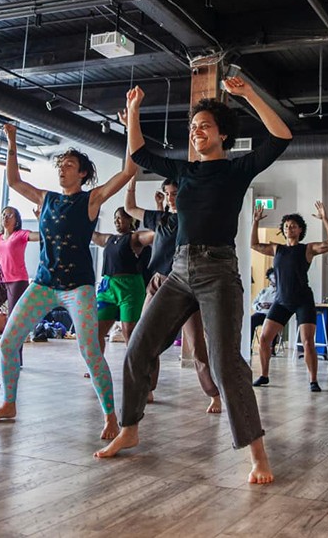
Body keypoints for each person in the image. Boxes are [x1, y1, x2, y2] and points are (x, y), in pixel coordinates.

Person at [95, 78, 292, 487]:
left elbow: (280, 136)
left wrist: (250, 95)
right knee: (137, 348)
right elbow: (138, 152)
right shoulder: (184, 172)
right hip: (180, 272)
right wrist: (132, 113)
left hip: (218, 272)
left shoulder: (237, 168)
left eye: (204, 126)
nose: (196, 132)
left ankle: (256, 453)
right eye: (192, 127)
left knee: (226, 364)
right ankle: (130, 428)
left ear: (222, 134)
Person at [0, 123, 136, 440]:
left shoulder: (91, 200)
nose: (62, 170)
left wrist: (131, 120)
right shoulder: (46, 198)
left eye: (69, 166)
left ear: (82, 174)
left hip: (78, 287)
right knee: (9, 341)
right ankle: (9, 402)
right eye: (60, 165)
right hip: (43, 283)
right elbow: (13, 180)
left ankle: (110, 416)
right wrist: (12, 141)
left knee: (90, 350)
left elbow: (129, 169)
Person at [126, 177, 222, 413]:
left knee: (197, 347)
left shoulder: (194, 220)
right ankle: (148, 388)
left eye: (175, 193)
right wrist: (131, 181)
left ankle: (214, 394)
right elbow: (130, 208)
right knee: (145, 336)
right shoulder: (160, 219)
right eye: (167, 193)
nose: (170, 197)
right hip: (158, 282)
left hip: (184, 286)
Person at [251, 202, 328, 392]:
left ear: (300, 230)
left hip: (302, 300)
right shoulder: (277, 249)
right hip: (281, 301)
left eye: (293, 226)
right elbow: (254, 244)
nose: (289, 228)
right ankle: (264, 375)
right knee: (265, 339)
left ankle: (313, 380)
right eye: (286, 226)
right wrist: (255, 222)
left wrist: (325, 218)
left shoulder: (307, 249)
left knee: (308, 342)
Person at [91, 207, 148, 356]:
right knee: (95, 332)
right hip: (107, 287)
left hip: (129, 288)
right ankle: (97, 368)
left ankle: (135, 370)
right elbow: (93, 234)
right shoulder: (109, 239)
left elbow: (153, 235)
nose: (116, 220)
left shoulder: (135, 238)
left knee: (129, 333)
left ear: (131, 220)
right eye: (115, 217)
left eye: (120, 217)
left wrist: (161, 209)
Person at [0, 206, 39, 362]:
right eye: (3, 214)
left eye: (10, 215)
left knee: (14, 320)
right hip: (1, 281)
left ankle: (16, 358)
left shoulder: (20, 235)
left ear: (16, 220)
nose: (5, 216)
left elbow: (42, 236)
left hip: (18, 282)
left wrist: (39, 219)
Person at [250, 267, 277, 354]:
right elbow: (254, 303)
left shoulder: (280, 291)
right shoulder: (263, 291)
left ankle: (272, 347)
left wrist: (271, 306)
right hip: (261, 312)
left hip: (272, 313)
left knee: (275, 322)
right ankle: (248, 345)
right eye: (273, 277)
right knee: (251, 320)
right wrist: (260, 305)